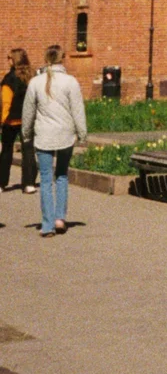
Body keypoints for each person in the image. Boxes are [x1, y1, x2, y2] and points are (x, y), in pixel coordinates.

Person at [21, 45, 87, 237]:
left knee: (46, 179)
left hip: (43, 136)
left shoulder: (35, 82)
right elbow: (77, 110)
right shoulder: (71, 82)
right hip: (65, 135)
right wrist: (82, 134)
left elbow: (28, 112)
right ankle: (60, 218)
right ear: (63, 59)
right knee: (62, 176)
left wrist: (26, 133)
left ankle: (47, 224)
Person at [1, 49, 38, 193]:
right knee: (28, 151)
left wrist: (2, 121)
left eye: (9, 58)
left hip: (11, 121)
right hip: (29, 119)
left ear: (13, 60)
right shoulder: (33, 77)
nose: (7, 60)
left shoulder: (9, 79)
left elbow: (6, 102)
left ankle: (2, 183)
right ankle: (29, 183)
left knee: (6, 151)